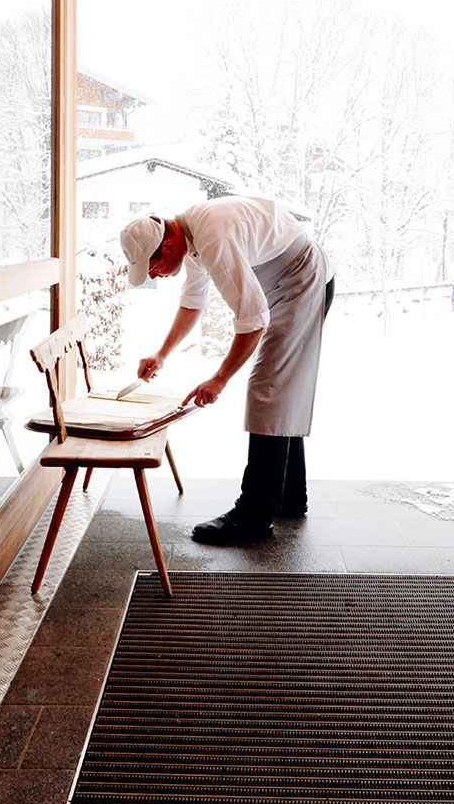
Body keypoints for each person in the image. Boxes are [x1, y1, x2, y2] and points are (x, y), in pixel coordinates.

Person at [119, 195, 335, 545]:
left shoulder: (212, 237)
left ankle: (253, 515)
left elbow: (251, 320)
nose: (154, 274)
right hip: (286, 283)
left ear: (168, 246)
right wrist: (162, 353)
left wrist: (219, 379)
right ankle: (288, 498)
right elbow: (193, 302)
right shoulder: (189, 233)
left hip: (303, 279)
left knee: (269, 390)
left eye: (153, 267)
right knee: (281, 389)